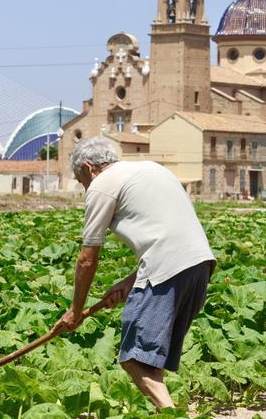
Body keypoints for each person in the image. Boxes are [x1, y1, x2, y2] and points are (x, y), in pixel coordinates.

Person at [53, 137, 216, 409]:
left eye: (81, 180)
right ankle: (165, 414)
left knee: (134, 359)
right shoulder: (152, 169)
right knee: (150, 362)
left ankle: (172, 416)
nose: (84, 188)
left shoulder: (101, 185)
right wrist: (131, 282)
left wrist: (75, 311)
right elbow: (168, 235)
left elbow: (86, 259)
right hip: (200, 266)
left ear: (89, 167)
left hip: (167, 269)